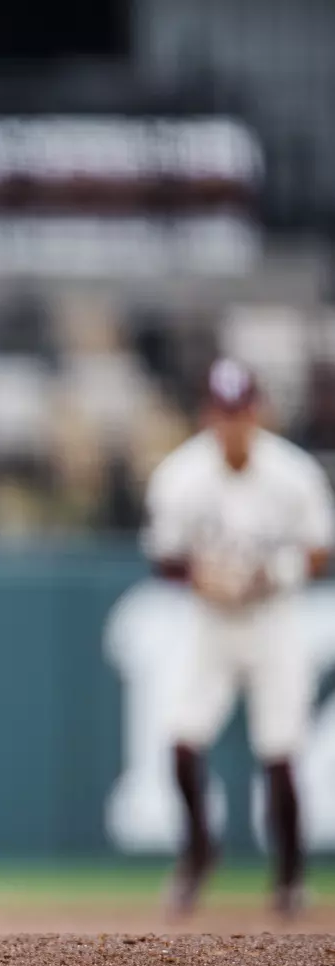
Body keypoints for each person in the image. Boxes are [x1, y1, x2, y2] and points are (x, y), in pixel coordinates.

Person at [142, 358, 335, 918]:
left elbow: (318, 548)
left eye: (242, 411)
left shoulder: (293, 473)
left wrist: (269, 575)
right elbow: (163, 556)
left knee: (280, 750)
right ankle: (200, 853)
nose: (233, 424)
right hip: (213, 622)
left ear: (258, 412)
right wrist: (201, 577)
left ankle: (290, 878)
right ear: (209, 415)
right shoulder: (180, 476)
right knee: (182, 741)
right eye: (224, 413)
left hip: (272, 620)